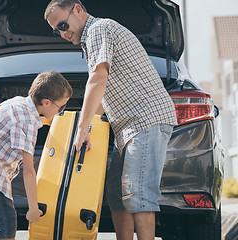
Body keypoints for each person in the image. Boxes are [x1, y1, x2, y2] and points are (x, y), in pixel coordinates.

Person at [45, 1, 178, 240]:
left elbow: (97, 79)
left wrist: (82, 128)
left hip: (146, 119)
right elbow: (101, 96)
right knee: (117, 194)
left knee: (138, 193)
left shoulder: (98, 29)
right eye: (57, 30)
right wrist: (80, 131)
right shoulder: (89, 42)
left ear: (77, 9)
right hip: (125, 128)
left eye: (63, 25)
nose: (63, 33)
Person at [0, 71, 73, 240]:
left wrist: (49, 120)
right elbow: (29, 171)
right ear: (46, 103)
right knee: (6, 223)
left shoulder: (20, 104)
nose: (61, 110)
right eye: (61, 107)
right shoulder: (27, 122)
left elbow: (20, 122)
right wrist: (33, 208)